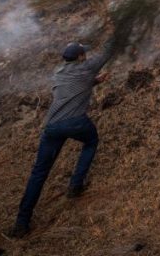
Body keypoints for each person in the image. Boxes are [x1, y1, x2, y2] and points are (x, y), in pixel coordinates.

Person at [9, 37, 116, 238]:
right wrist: (120, 25)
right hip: (75, 122)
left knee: (39, 172)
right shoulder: (86, 67)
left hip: (51, 126)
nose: (86, 55)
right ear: (80, 56)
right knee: (91, 141)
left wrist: (95, 81)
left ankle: (21, 222)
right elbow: (107, 52)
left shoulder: (58, 72)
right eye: (83, 53)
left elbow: (72, 88)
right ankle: (76, 185)